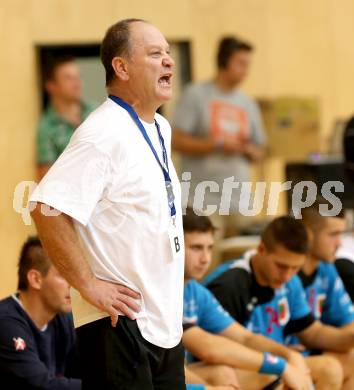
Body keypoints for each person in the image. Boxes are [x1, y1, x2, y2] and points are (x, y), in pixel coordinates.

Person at [30, 18, 185, 390]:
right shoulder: (102, 132)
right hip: (118, 323)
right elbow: (46, 208)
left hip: (162, 320)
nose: (168, 61)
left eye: (168, 52)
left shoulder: (159, 127)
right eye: (154, 53)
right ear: (121, 66)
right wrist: (87, 284)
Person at [206, 216, 352, 390]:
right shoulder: (229, 285)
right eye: (281, 266)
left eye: (295, 268)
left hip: (277, 361)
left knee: (346, 362)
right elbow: (224, 349)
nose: (287, 275)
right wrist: (282, 357)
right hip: (240, 368)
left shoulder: (291, 281)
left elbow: (312, 333)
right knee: (320, 370)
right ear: (261, 249)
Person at [182, 209, 314, 390]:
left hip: (173, 374)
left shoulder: (194, 290)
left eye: (210, 248)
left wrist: (289, 357)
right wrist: (281, 365)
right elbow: (208, 348)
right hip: (152, 380)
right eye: (196, 248)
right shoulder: (227, 285)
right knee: (229, 374)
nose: (205, 259)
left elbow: (245, 338)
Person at [172, 36, 266, 236]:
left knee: (240, 257)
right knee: (203, 259)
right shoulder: (196, 95)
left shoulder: (247, 103)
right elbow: (175, 141)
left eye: (248, 64)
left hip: (238, 197)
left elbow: (261, 150)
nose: (246, 70)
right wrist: (216, 145)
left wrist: (248, 150)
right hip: (200, 197)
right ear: (224, 62)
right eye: (240, 63)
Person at [0, 236, 81, 389]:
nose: (73, 284)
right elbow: (41, 385)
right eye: (64, 275)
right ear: (36, 279)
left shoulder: (63, 319)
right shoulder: (5, 322)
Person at [297, 198, 354, 389]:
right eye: (333, 234)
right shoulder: (284, 271)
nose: (339, 244)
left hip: (310, 356)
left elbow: (348, 324)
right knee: (329, 368)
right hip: (280, 360)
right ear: (307, 233)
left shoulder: (326, 269)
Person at [37, 56, 95, 179]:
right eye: (68, 78)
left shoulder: (96, 111)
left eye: (77, 77)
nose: (76, 82)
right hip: (73, 195)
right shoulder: (46, 127)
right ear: (51, 86)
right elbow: (46, 177)